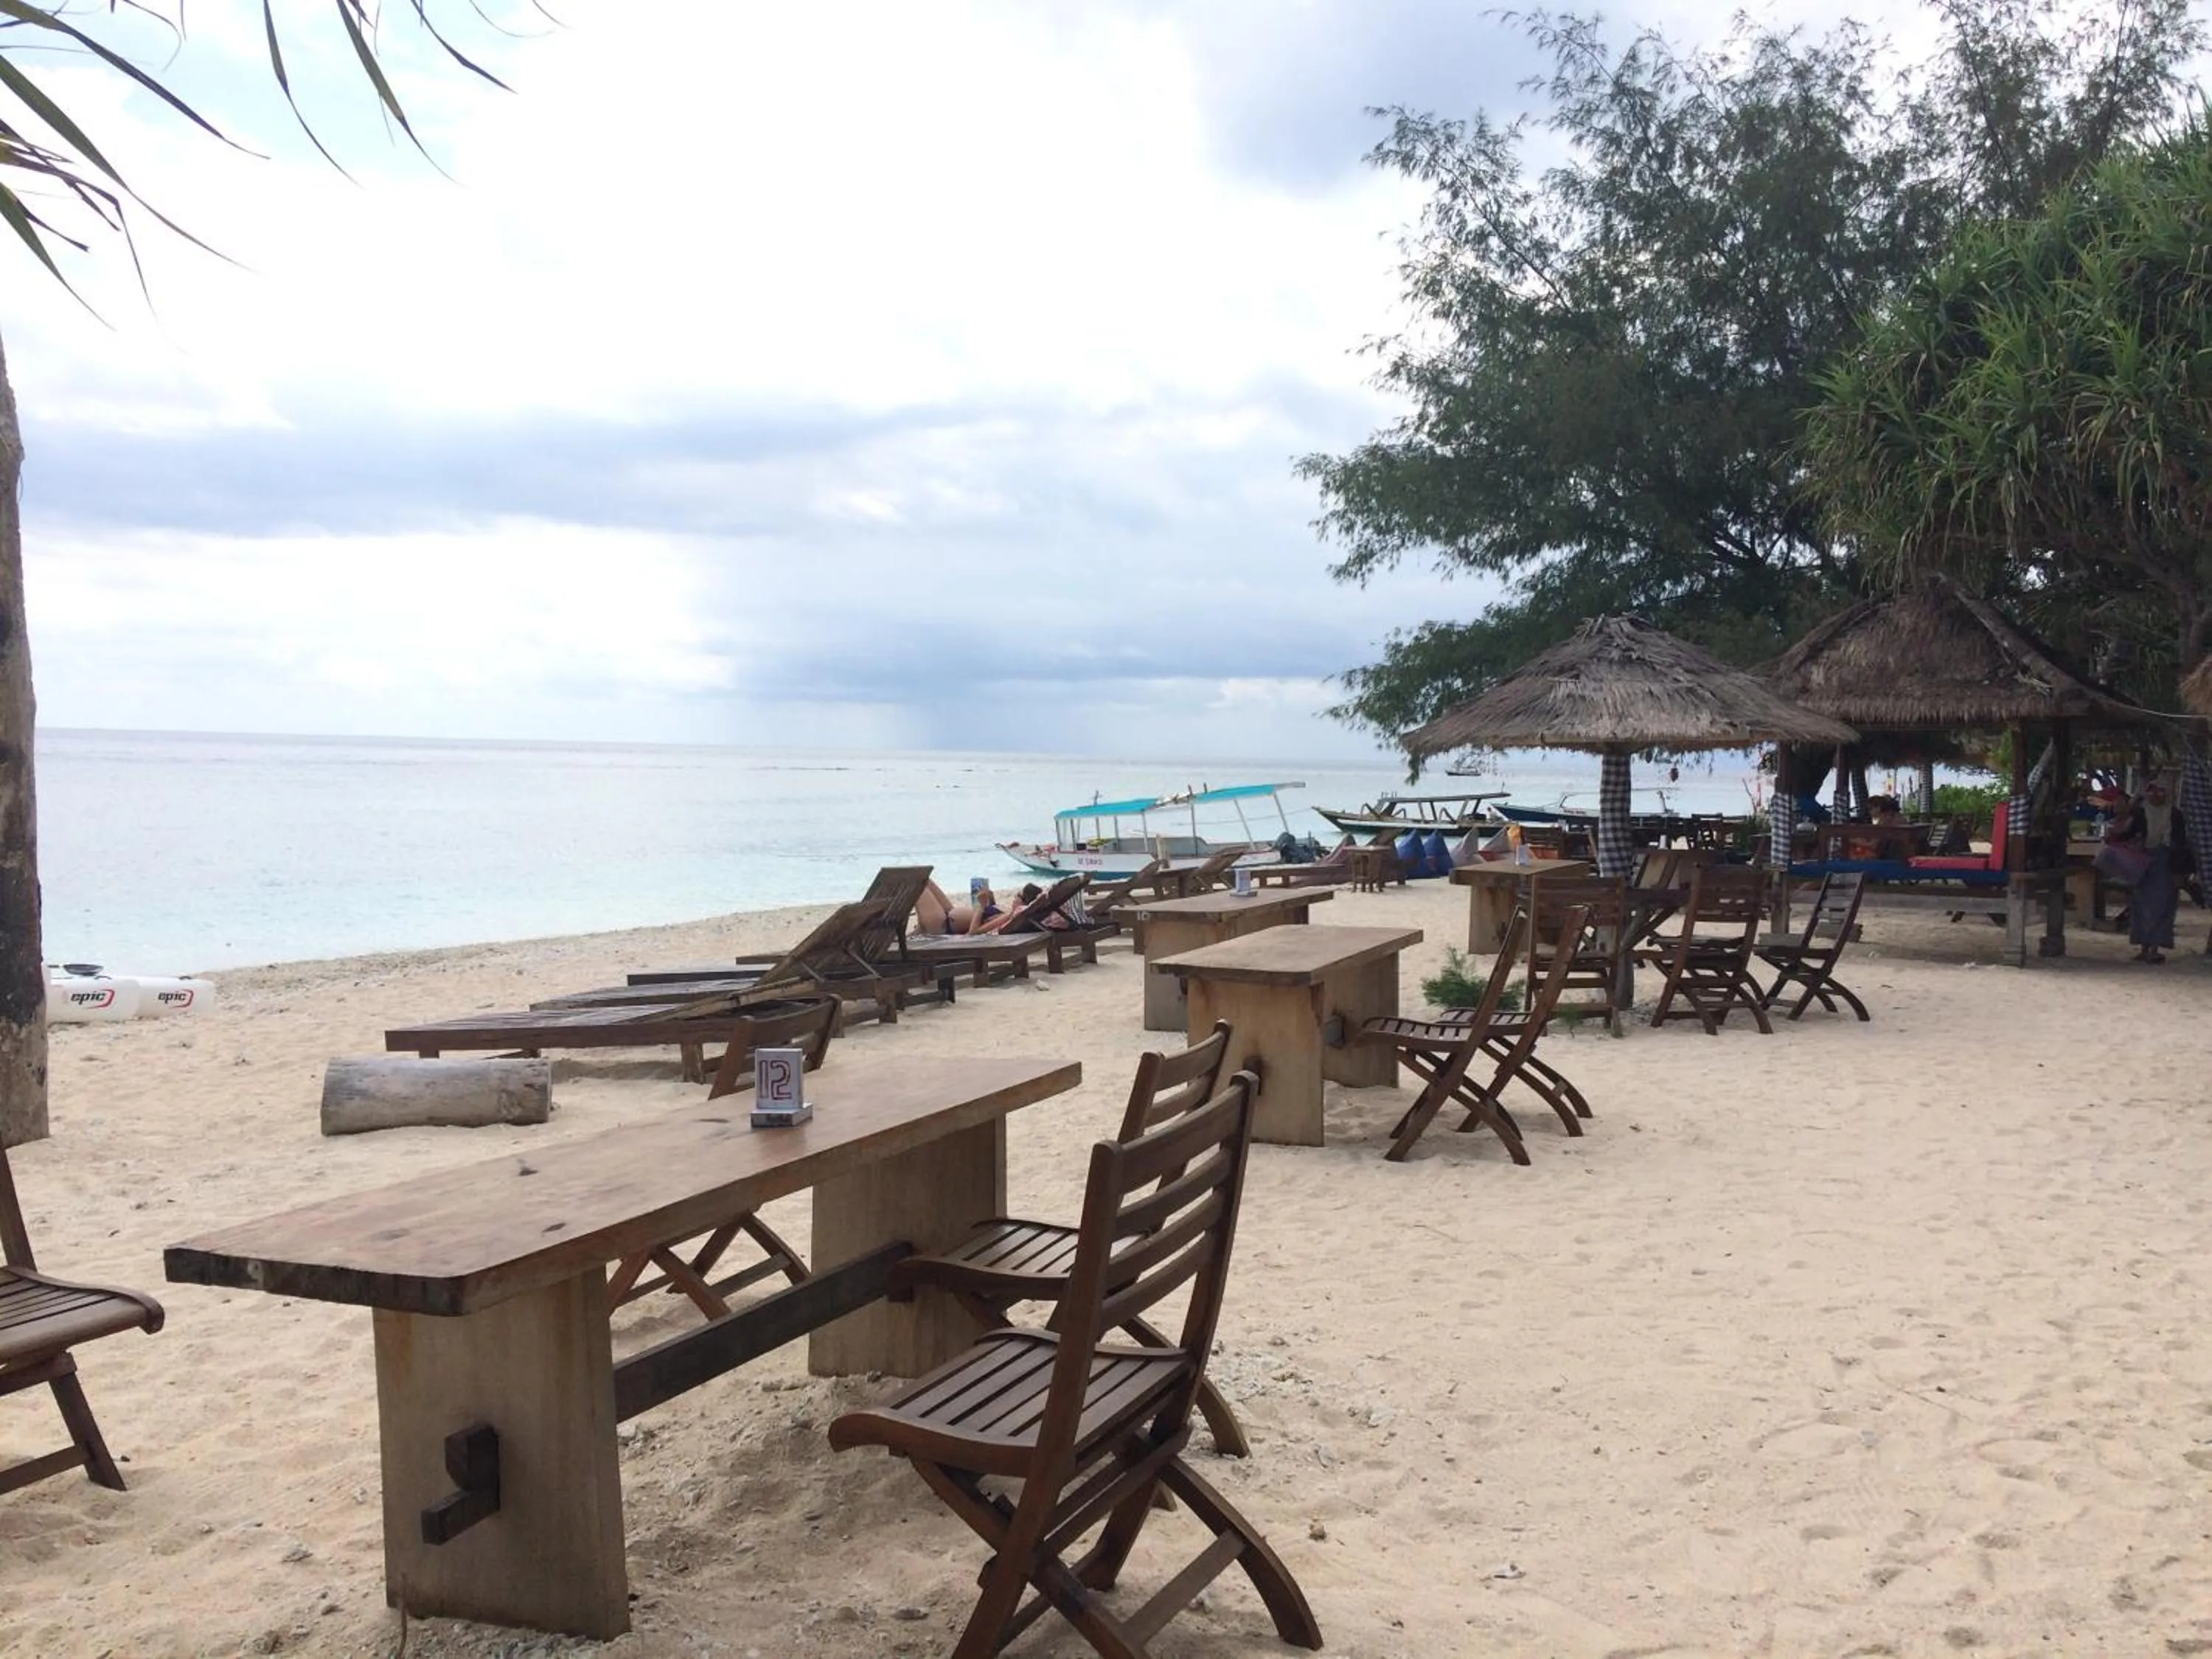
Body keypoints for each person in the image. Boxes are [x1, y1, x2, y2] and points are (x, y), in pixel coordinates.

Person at [2107, 778, 2179, 963]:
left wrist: (2181, 871)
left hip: (2166, 864)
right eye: (2152, 791)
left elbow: (2182, 844)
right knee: (2140, 906)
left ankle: (2154, 949)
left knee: (2161, 908)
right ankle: (2144, 948)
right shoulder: (2140, 813)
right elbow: (2129, 834)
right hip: (2143, 863)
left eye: (2161, 791)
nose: (2156, 795)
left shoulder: (2175, 815)